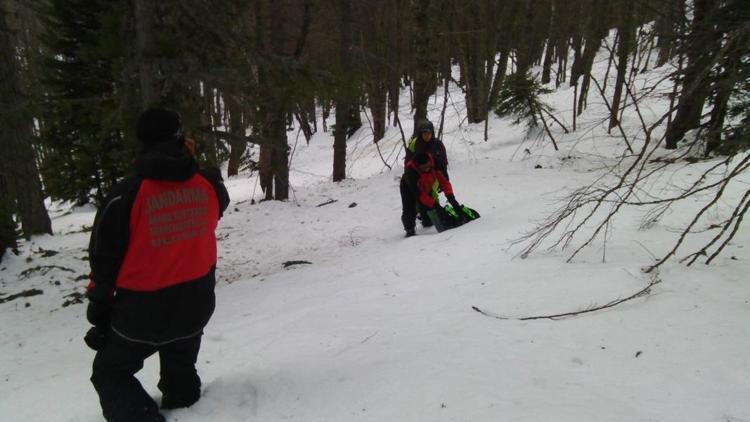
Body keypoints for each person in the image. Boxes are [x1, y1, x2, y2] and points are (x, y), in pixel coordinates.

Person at [85, 107, 230, 422]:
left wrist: (98, 310)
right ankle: (188, 407)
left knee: (110, 373)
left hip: (143, 315)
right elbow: (216, 205)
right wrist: (192, 164)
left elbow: (102, 263)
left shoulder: (124, 196)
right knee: (180, 362)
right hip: (197, 304)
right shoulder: (208, 185)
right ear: (181, 140)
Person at [400, 151, 464, 237]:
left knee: (428, 206)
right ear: (418, 166)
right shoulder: (411, 172)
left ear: (430, 161)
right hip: (408, 186)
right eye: (423, 167)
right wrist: (435, 206)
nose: (426, 168)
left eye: (427, 165)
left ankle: (427, 221)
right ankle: (409, 229)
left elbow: (444, 182)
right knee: (409, 207)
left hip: (427, 181)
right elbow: (420, 195)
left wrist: (451, 198)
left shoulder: (436, 163)